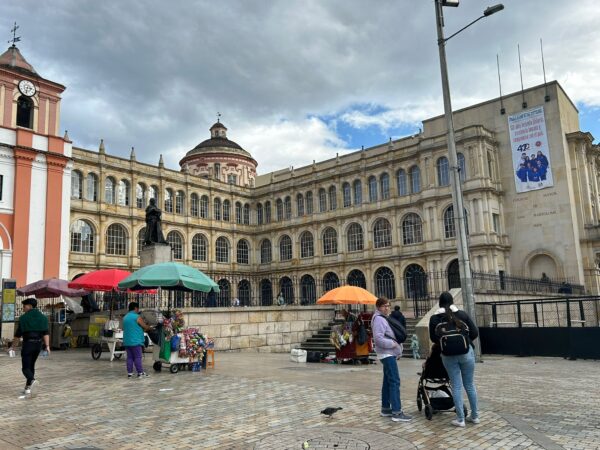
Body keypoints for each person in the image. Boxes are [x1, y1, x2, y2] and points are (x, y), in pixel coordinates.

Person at [428, 292, 479, 427]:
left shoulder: (435, 318)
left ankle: (460, 419)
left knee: (456, 385)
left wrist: (448, 345)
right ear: (452, 302)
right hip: (466, 353)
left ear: (439, 303)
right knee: (469, 384)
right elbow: (474, 333)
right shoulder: (462, 314)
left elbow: (433, 339)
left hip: (448, 356)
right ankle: (475, 416)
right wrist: (464, 342)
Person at [371, 297, 412, 422]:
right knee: (395, 381)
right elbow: (378, 339)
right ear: (378, 307)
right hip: (386, 354)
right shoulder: (378, 319)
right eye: (384, 306)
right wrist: (393, 345)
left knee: (388, 381)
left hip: (388, 353)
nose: (387, 308)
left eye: (388, 305)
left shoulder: (382, 318)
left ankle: (385, 408)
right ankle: (397, 412)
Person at [10, 298, 50, 395]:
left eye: (24, 306)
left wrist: (13, 347)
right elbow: (46, 333)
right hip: (38, 345)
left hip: (28, 344)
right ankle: (27, 388)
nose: (23, 309)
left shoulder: (24, 318)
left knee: (25, 368)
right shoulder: (43, 318)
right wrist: (47, 346)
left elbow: (18, 335)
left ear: (30, 306)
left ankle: (32, 380)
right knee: (31, 365)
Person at [123, 302, 153, 378]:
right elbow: (144, 326)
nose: (138, 310)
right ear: (135, 308)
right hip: (136, 341)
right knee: (137, 357)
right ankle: (140, 373)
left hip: (127, 341)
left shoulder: (125, 317)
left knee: (129, 357)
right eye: (138, 309)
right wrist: (150, 327)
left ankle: (130, 373)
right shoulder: (137, 317)